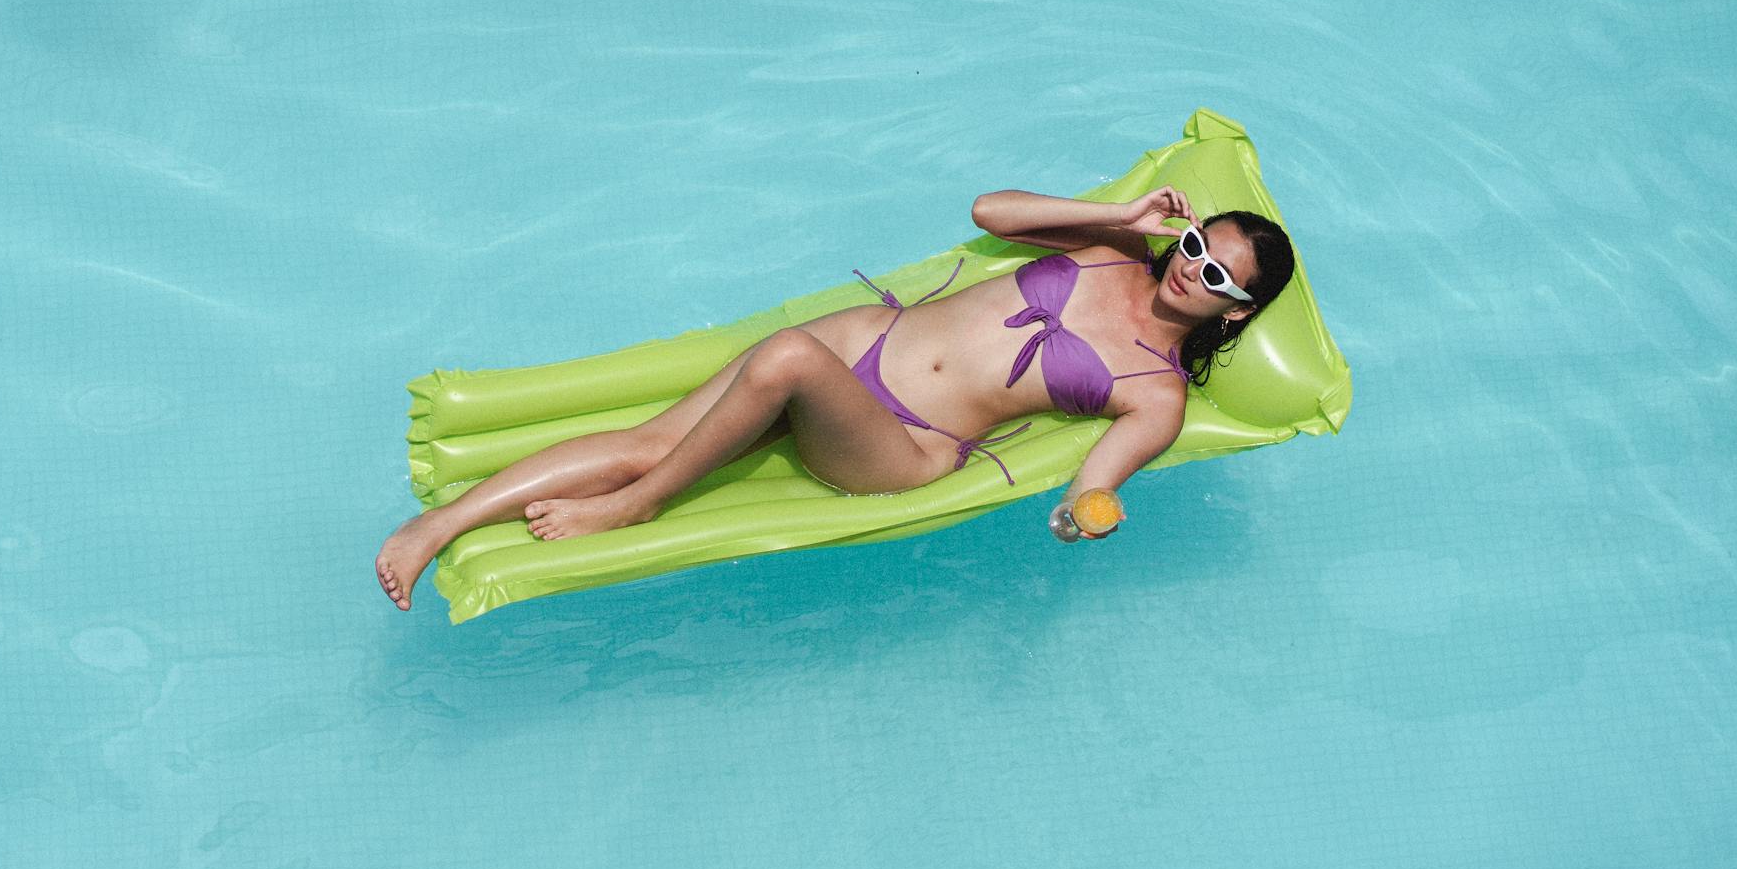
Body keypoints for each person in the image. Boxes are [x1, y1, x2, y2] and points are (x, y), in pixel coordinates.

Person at [377, 186, 1296, 610]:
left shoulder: (1156, 393)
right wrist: (1122, 215)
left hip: (899, 442)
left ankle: (641, 504)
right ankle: (439, 525)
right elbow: (989, 213)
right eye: (1194, 246)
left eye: (1216, 275)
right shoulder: (1108, 251)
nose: (1191, 270)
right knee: (647, 433)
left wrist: (1085, 520)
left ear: (1237, 308)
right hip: (872, 337)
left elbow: (1088, 491)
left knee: (781, 359)